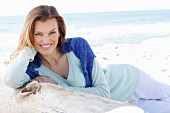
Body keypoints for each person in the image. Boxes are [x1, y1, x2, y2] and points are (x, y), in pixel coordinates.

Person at [2, 5, 170, 113]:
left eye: (52, 32)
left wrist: (59, 87)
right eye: (38, 34)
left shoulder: (77, 46)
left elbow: (103, 91)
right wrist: (28, 49)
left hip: (129, 80)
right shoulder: (32, 68)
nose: (46, 40)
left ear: (60, 31)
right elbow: (10, 80)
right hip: (116, 104)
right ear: (29, 35)